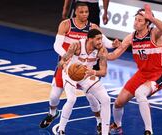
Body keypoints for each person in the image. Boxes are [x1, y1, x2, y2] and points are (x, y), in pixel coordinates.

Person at [39, 3, 118, 133]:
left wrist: (113, 44)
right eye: (81, 12)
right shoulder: (66, 25)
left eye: (86, 12)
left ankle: (99, 122)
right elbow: (56, 45)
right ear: (75, 12)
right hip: (68, 65)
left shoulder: (93, 27)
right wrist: (66, 57)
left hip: (85, 67)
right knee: (54, 96)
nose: (85, 14)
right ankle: (53, 113)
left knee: (93, 98)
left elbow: (105, 42)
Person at [107, 4, 162, 135]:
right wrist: (101, 55)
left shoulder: (155, 34)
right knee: (118, 102)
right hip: (141, 74)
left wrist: (152, 18)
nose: (136, 22)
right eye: (136, 19)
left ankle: (148, 131)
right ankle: (117, 125)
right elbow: (114, 55)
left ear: (147, 23)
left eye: (140, 20)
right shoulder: (131, 37)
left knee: (140, 93)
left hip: (158, 74)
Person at [57, 28, 112, 135]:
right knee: (72, 99)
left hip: (87, 75)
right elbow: (61, 62)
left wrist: (94, 72)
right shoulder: (76, 45)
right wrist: (64, 64)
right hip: (70, 73)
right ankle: (61, 129)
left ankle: (104, 131)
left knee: (106, 99)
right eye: (98, 39)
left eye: (101, 39)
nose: (100, 41)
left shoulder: (102, 50)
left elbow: (103, 72)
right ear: (89, 39)